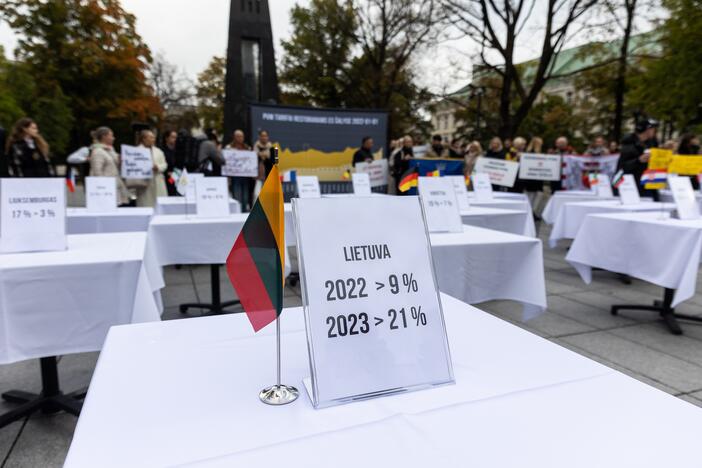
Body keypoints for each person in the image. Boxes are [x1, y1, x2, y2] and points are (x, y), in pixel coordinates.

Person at [89, 126, 131, 206]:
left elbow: (113, 166)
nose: (113, 138)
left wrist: (120, 161)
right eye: (111, 135)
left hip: (114, 187)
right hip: (106, 191)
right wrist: (103, 190)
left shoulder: (110, 150)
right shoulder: (98, 152)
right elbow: (97, 173)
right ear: (104, 137)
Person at [618, 119, 658, 195]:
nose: (654, 131)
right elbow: (623, 167)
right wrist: (638, 160)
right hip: (631, 187)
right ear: (647, 130)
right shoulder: (629, 145)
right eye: (653, 129)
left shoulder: (651, 144)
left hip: (646, 184)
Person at [135, 129, 168, 207]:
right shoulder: (136, 151)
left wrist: (158, 167)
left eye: (153, 137)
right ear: (144, 139)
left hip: (157, 180)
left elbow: (164, 164)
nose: (153, 139)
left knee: (159, 205)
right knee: (145, 203)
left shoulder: (158, 151)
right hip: (144, 182)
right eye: (151, 137)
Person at [227, 129, 254, 210]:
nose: (240, 138)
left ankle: (244, 211)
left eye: (241, 136)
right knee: (237, 196)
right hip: (235, 176)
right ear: (234, 137)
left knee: (245, 197)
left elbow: (251, 161)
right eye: (238, 136)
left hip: (245, 176)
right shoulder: (229, 148)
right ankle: (237, 212)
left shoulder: (247, 148)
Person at [525, 137, 546, 215]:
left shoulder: (540, 152)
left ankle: (532, 211)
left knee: (537, 195)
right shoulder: (530, 152)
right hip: (531, 177)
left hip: (538, 177)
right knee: (530, 195)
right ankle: (529, 211)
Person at [161, 130, 178, 196]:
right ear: (166, 138)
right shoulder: (161, 150)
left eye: (176, 137)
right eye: (173, 137)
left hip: (176, 176)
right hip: (166, 178)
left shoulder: (178, 150)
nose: (175, 139)